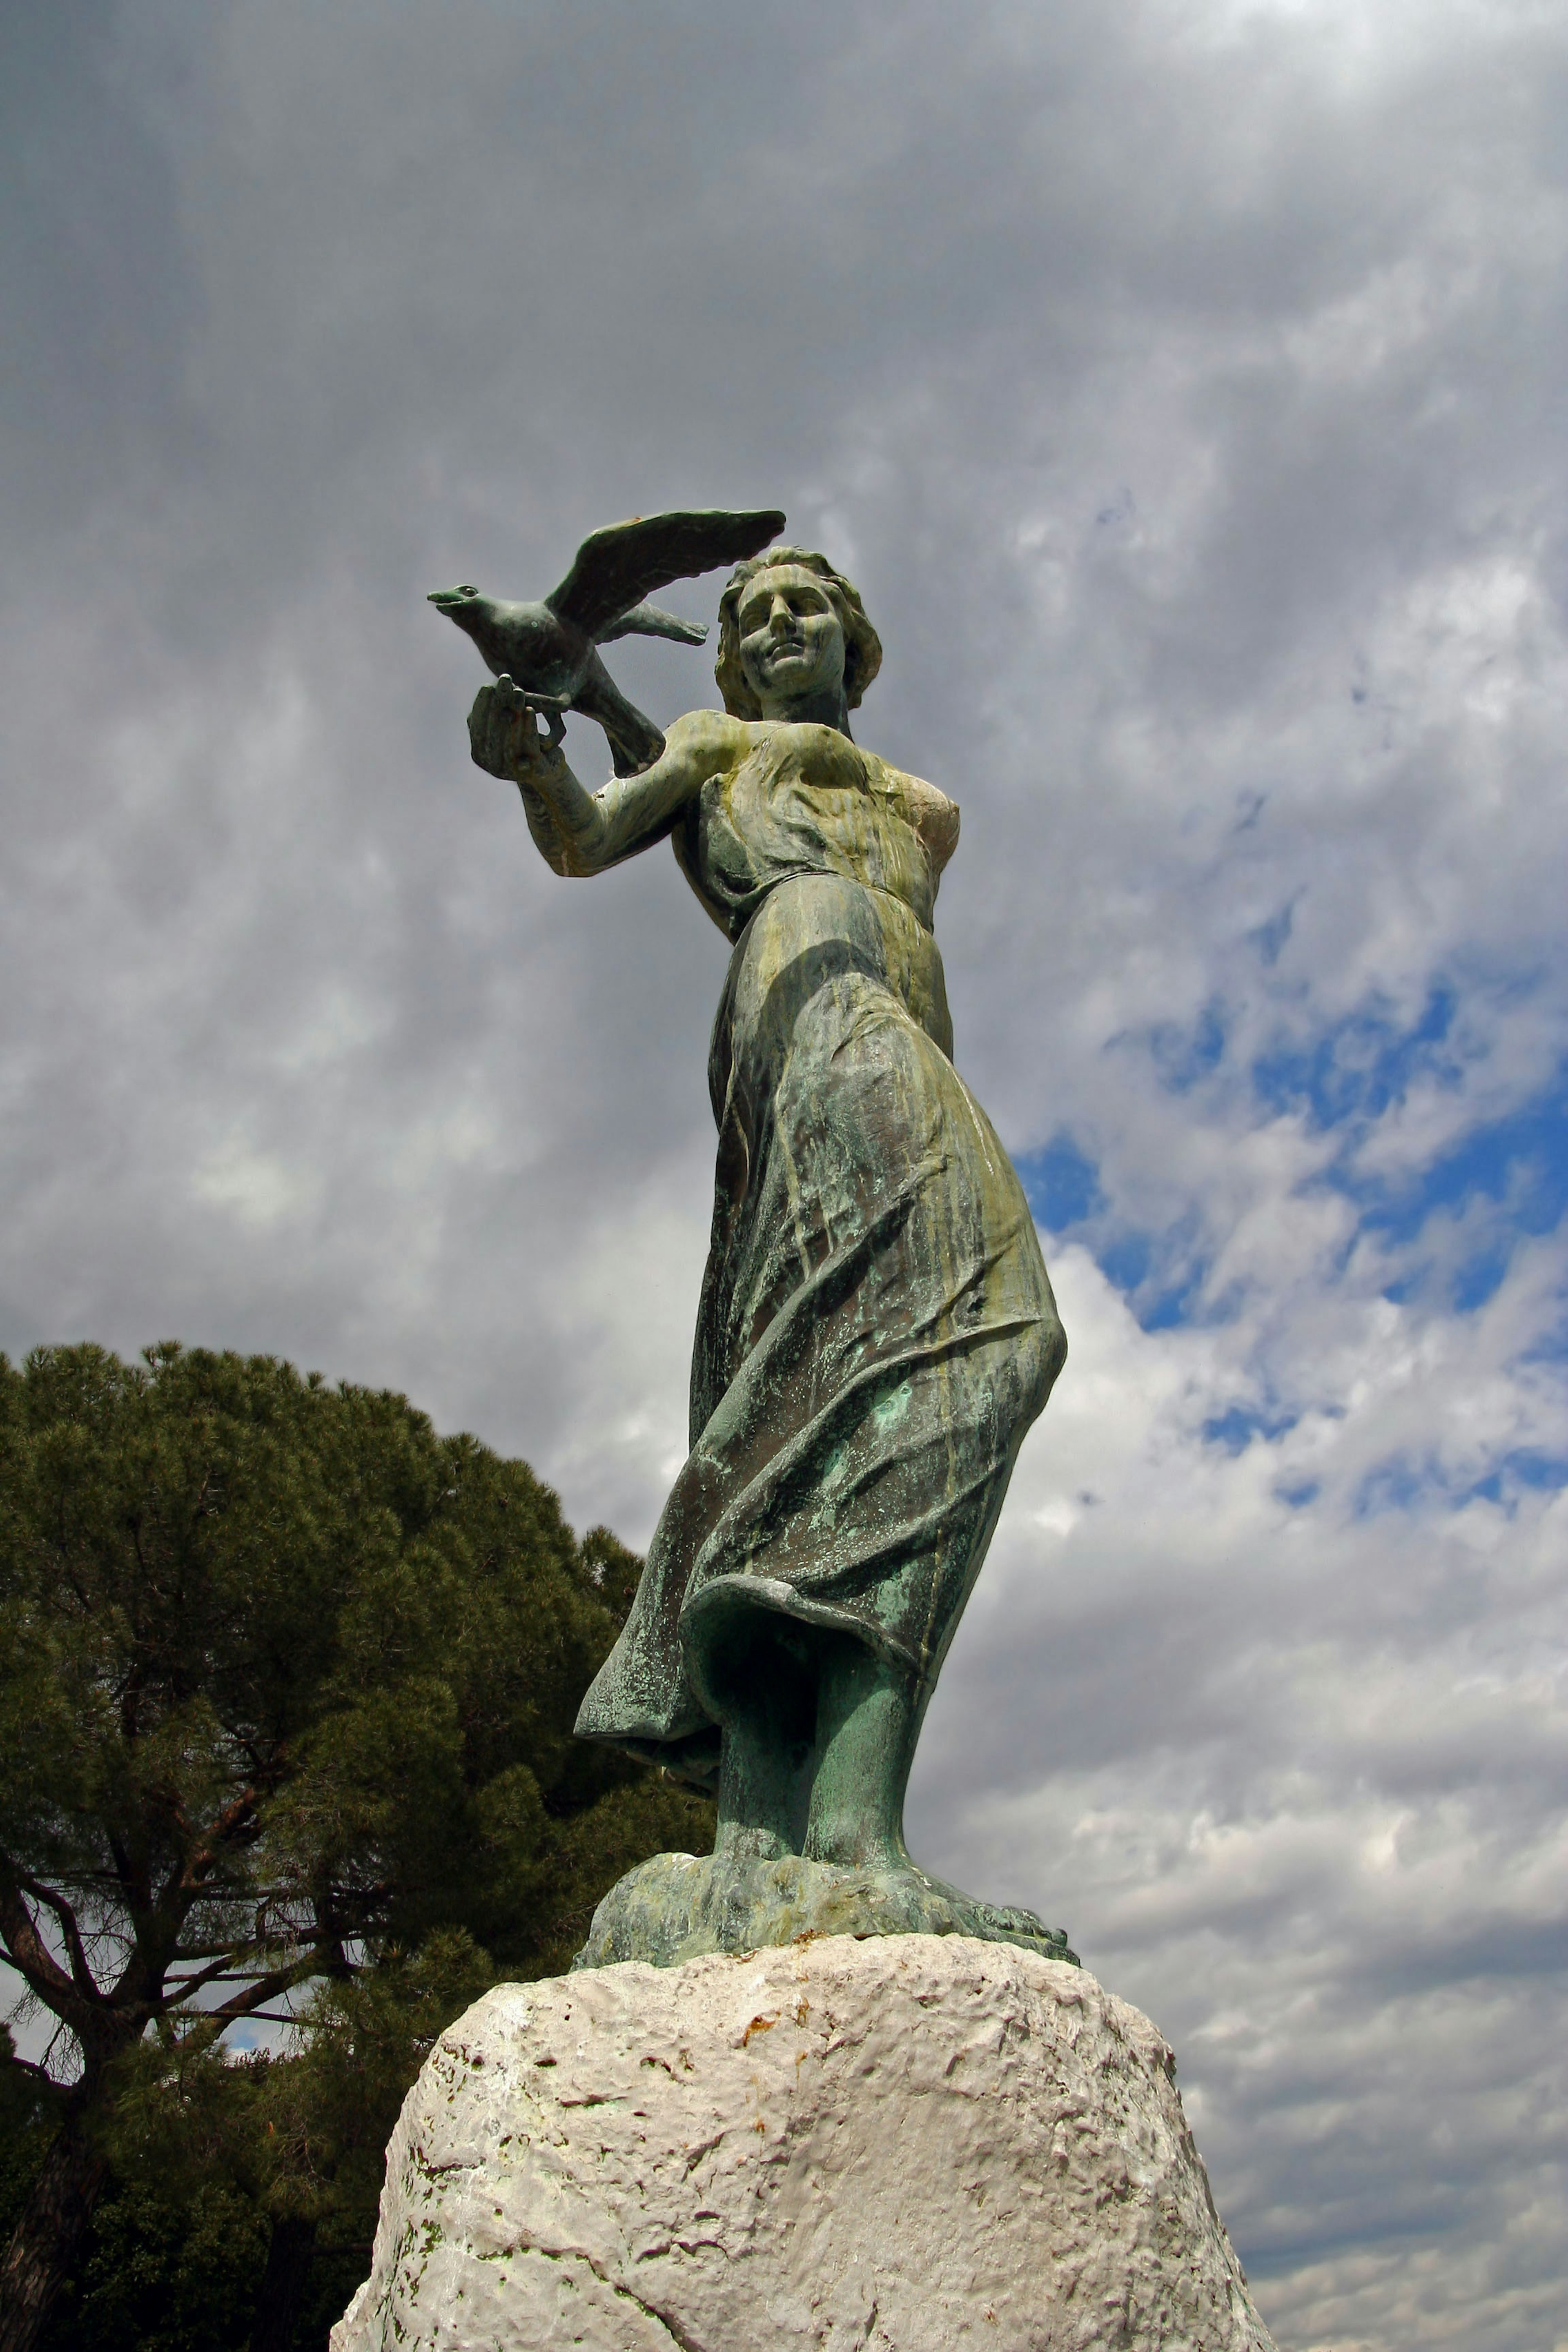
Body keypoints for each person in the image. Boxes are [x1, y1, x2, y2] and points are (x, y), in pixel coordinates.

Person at [468, 547, 1065, 1915]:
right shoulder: (711, 740)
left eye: (807, 607)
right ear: (728, 658)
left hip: (894, 1030)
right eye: (750, 616)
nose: (779, 624)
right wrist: (530, 761)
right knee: (1000, 1330)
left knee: (825, 1385)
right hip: (817, 1021)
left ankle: (817, 1836)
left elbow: (783, 815)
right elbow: (587, 838)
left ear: (858, 642)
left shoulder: (922, 805)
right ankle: (832, 1834)